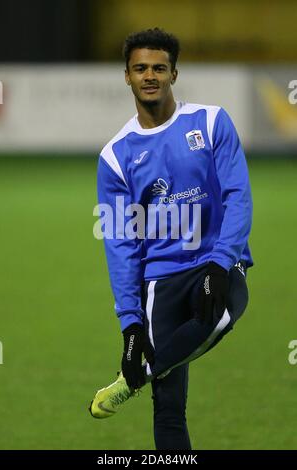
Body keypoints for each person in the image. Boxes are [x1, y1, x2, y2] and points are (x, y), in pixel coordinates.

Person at [89, 27, 253, 450]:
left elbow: (238, 197)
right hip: (159, 280)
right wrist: (129, 323)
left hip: (215, 263)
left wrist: (220, 263)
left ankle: (134, 379)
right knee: (168, 405)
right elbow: (121, 243)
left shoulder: (211, 122)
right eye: (140, 68)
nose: (150, 76)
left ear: (174, 74)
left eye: (159, 68)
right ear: (126, 76)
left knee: (219, 316)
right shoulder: (115, 156)